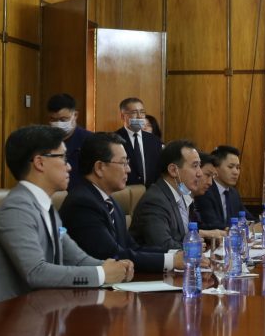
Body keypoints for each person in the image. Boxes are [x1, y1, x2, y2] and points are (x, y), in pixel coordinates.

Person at [0, 125, 134, 308]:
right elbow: (36, 272)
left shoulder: (46, 206)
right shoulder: (16, 209)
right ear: (39, 163)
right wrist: (102, 274)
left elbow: (76, 258)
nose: (69, 166)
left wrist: (116, 267)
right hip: (4, 317)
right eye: (63, 158)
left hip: (38, 312)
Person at [60, 134, 185, 273]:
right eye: (123, 163)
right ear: (99, 167)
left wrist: (177, 254)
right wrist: (172, 261)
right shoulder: (82, 204)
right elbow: (113, 255)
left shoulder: (111, 202)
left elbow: (133, 248)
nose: (128, 169)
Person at [129, 140, 203, 250]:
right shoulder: (155, 201)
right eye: (195, 166)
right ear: (173, 170)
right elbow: (162, 246)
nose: (200, 173)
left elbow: (183, 236)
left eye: (199, 166)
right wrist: (193, 248)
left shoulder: (181, 196)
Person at [47, 93, 94, 190]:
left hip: (81, 194)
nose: (58, 123)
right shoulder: (43, 141)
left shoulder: (90, 140)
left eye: (63, 119)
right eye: (53, 119)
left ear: (75, 115)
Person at [114, 97, 162, 187]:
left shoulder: (154, 140)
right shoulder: (114, 139)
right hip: (124, 191)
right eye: (134, 112)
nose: (140, 116)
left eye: (142, 112)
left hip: (150, 191)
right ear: (123, 116)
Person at [194, 144, 244, 230]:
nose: (236, 172)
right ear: (216, 168)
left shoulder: (234, 193)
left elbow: (246, 217)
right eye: (230, 167)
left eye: (238, 167)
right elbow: (212, 224)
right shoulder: (204, 190)